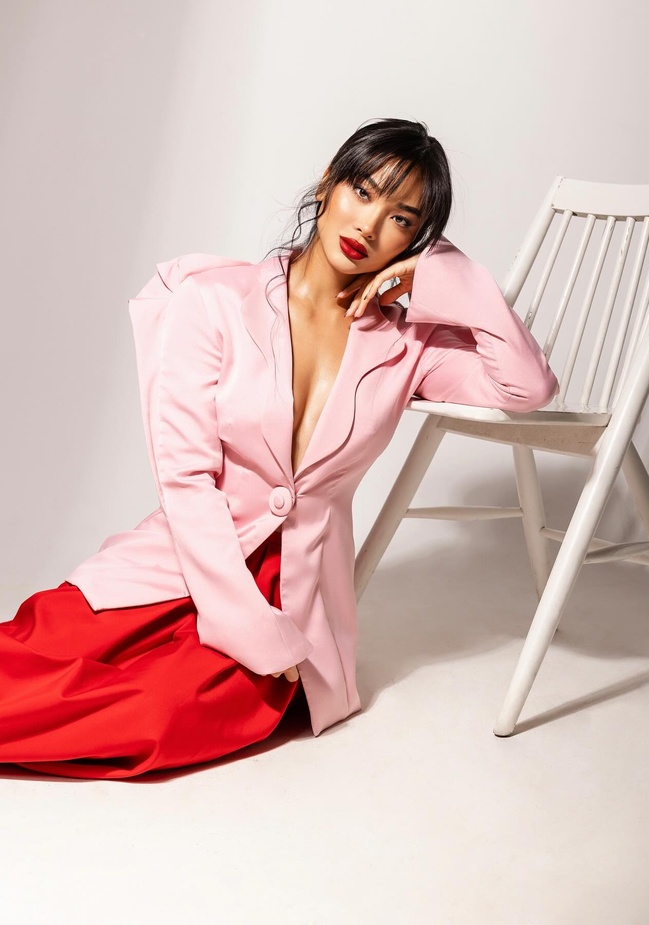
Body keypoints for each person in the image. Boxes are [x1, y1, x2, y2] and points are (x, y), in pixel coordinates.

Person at [0, 118, 558, 779]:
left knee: (157, 714)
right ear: (328, 184)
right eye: (361, 191)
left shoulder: (411, 345)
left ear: (416, 240)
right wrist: (241, 621)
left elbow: (527, 386)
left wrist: (446, 275)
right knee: (31, 656)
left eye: (401, 219)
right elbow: (184, 478)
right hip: (185, 563)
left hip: (294, 598)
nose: (369, 224)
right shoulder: (213, 300)